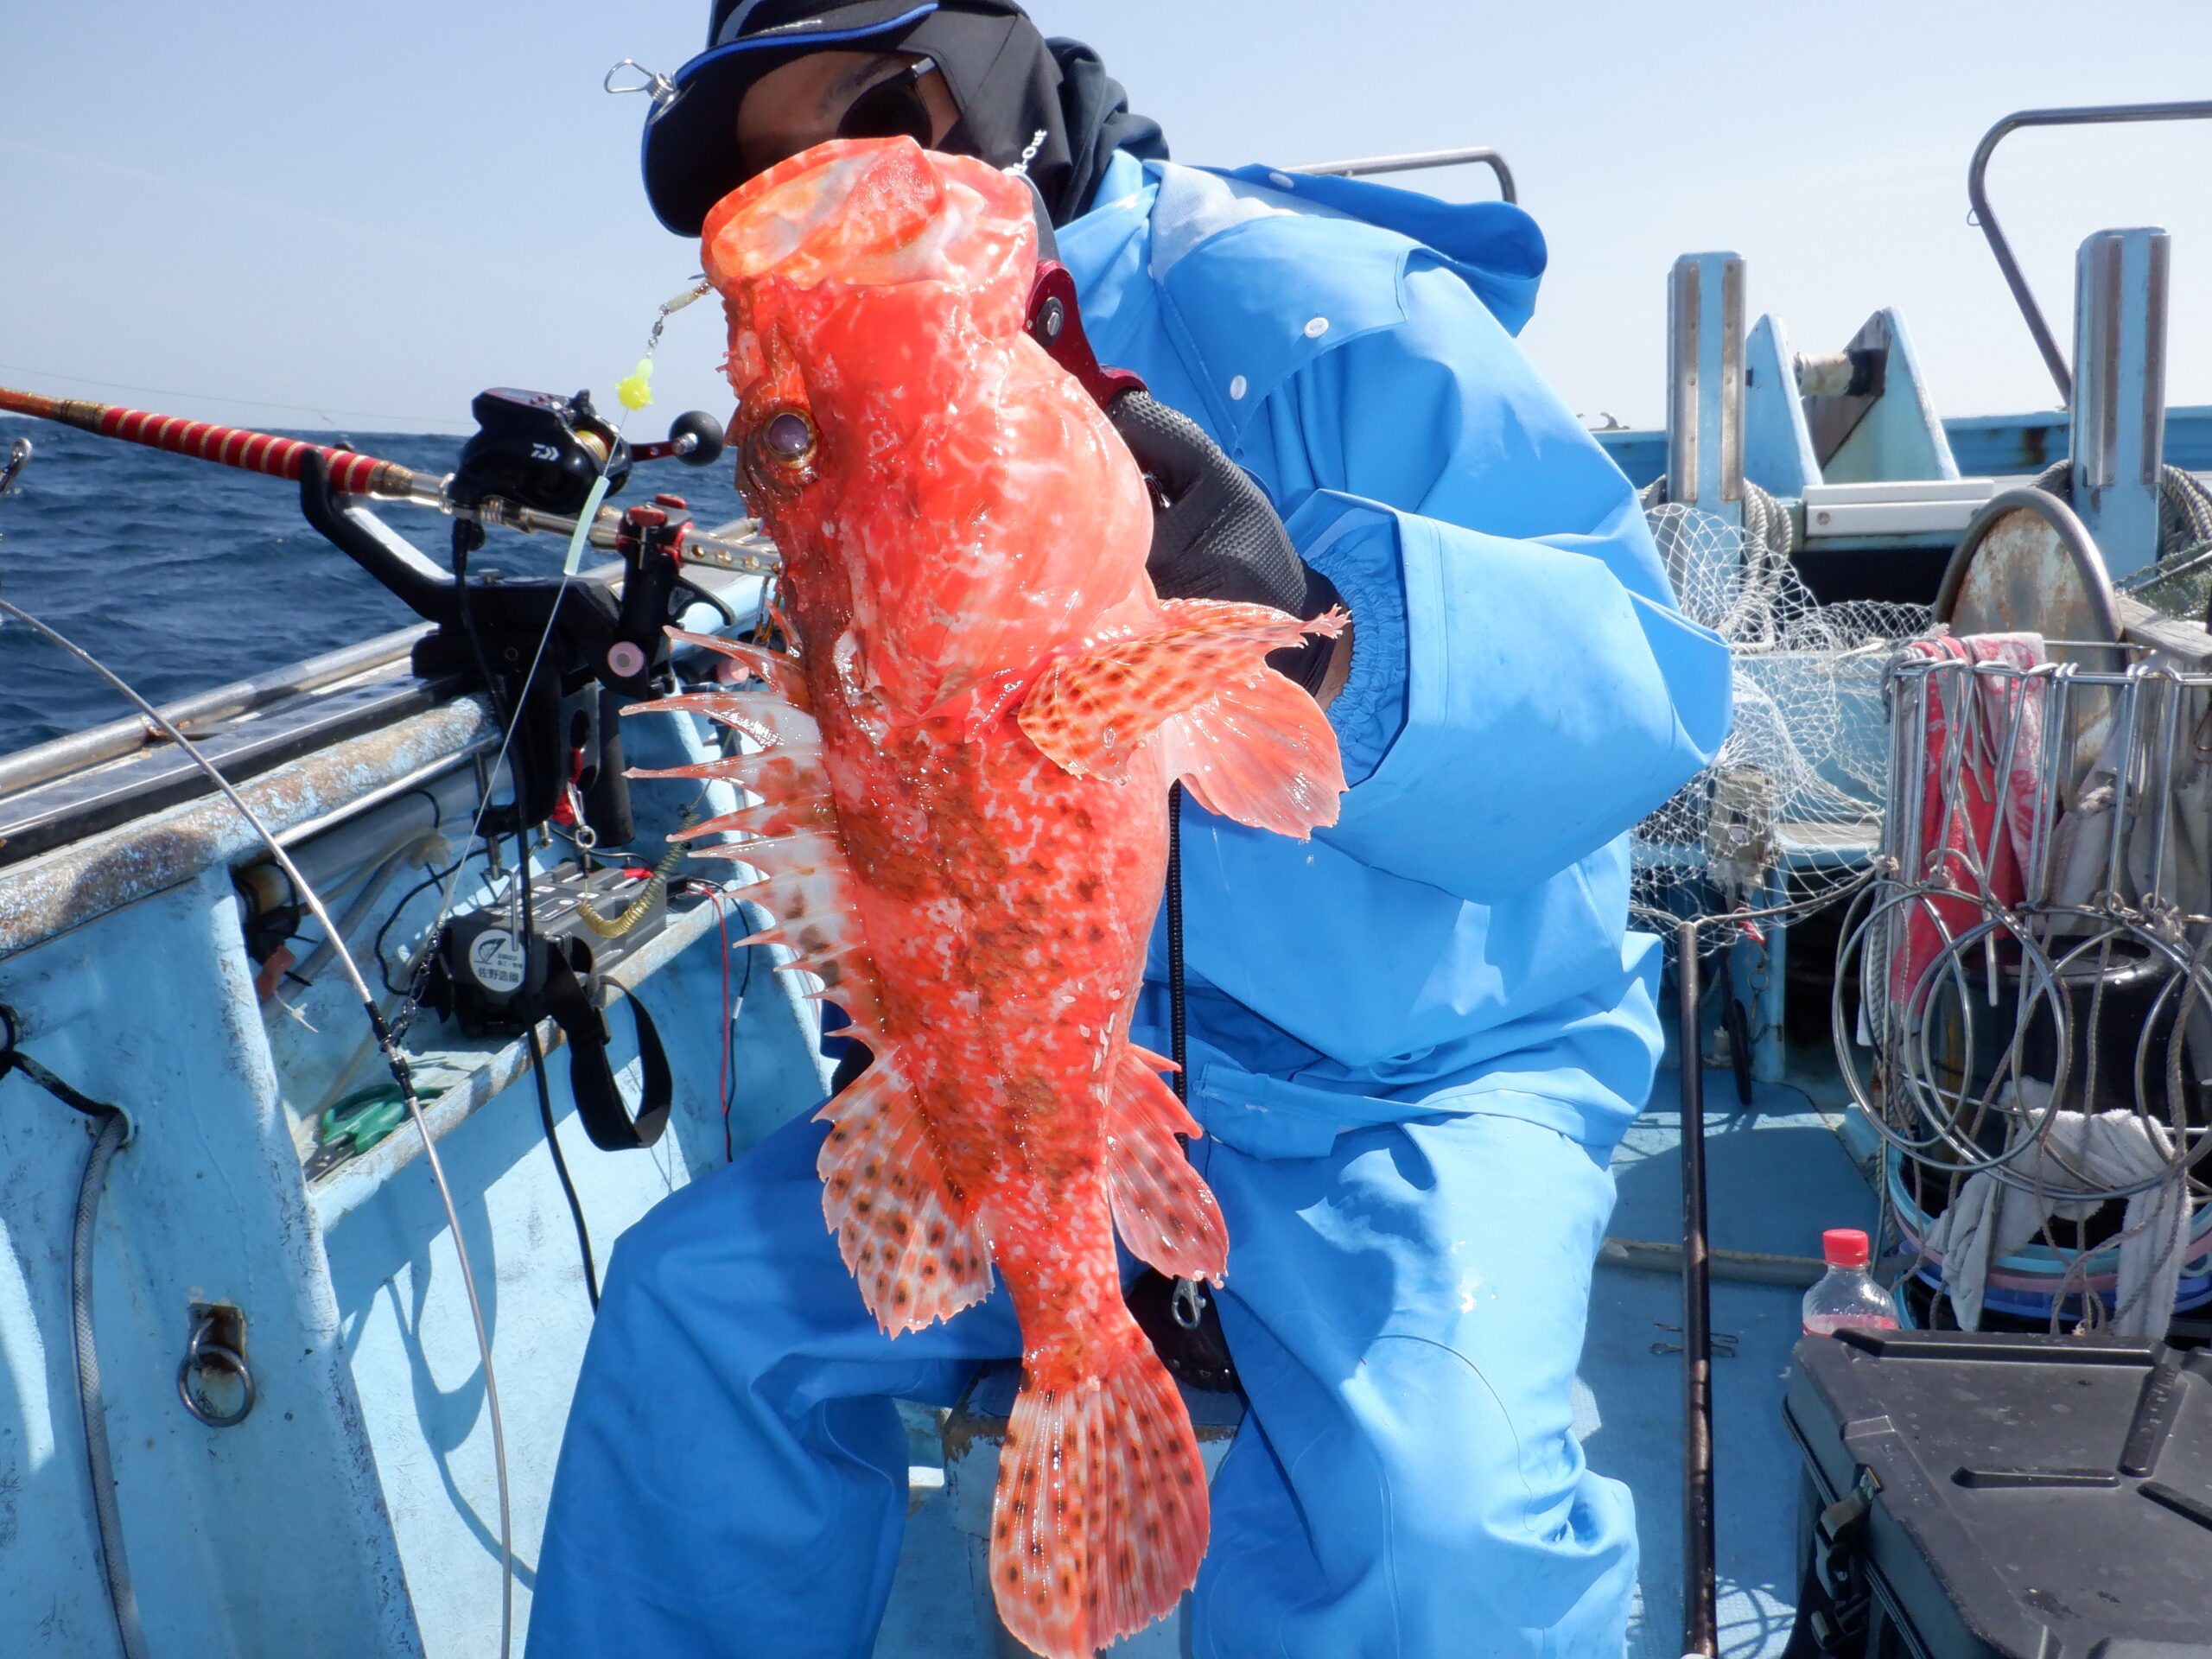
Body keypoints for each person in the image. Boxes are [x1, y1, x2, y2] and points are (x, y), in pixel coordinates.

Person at [530, 3, 1732, 1656]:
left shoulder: (1326, 306)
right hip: (1019, 1086)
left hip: (1412, 1089)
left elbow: (1645, 696)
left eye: (874, 119)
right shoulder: (862, 380)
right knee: (687, 1316)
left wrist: (1323, 631)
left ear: (996, 78)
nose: (832, 192)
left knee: (1443, 1538)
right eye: (776, 172)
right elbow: (865, 725)